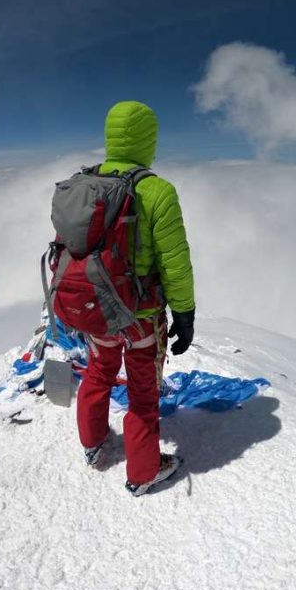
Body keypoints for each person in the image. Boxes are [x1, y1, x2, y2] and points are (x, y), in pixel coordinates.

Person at [76, 100, 195, 497]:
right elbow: (175, 262)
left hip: (95, 307)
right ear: (148, 140)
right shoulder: (157, 190)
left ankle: (93, 445)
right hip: (140, 313)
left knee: (98, 371)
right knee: (143, 390)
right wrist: (185, 313)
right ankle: (143, 472)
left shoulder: (83, 184)